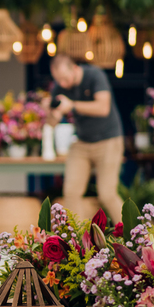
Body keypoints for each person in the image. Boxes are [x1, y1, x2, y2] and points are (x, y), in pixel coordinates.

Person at [46, 52, 124, 222]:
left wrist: (72, 105)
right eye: (58, 80)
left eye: (65, 78)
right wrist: (50, 111)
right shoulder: (59, 88)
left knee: (107, 194)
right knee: (71, 193)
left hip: (108, 140)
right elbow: (51, 122)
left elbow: (103, 108)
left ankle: (135, 234)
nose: (62, 83)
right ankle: (78, 237)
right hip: (81, 142)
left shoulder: (94, 75)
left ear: (74, 68)